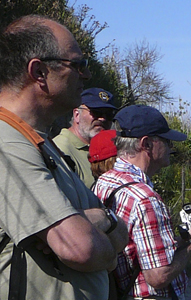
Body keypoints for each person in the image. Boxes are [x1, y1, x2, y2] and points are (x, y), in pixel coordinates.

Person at [0, 15, 128, 300]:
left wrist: (102, 220)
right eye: (77, 65)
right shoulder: (6, 142)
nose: (86, 75)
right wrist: (100, 237)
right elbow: (80, 248)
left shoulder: (40, 142)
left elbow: (120, 233)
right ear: (39, 72)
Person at [93, 105, 191, 300]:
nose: (171, 148)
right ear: (146, 144)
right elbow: (158, 276)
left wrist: (184, 238)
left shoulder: (106, 181)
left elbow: (136, 249)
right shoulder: (145, 199)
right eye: (166, 141)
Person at [53, 87, 118, 188]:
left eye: (109, 114)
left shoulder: (112, 150)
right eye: (96, 112)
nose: (102, 119)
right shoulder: (60, 150)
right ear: (77, 114)